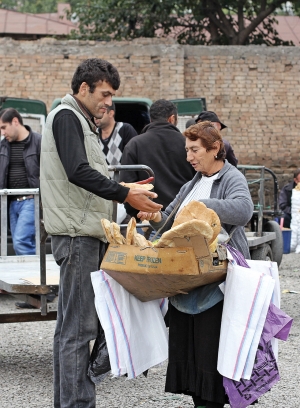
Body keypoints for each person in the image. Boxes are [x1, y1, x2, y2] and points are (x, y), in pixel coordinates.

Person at [40, 58, 162, 408]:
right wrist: (125, 193)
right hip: (78, 237)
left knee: (71, 330)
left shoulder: (77, 120)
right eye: (105, 94)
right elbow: (77, 171)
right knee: (79, 331)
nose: (109, 102)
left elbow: (83, 176)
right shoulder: (67, 117)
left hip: (82, 234)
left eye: (112, 96)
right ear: (83, 89)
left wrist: (124, 188)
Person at [138, 121, 253, 408]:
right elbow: (172, 220)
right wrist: (154, 217)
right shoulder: (192, 183)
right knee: (188, 352)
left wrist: (206, 206)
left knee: (208, 352)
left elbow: (244, 210)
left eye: (194, 150)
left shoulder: (231, 177)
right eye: (187, 150)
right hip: (186, 277)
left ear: (215, 149)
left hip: (216, 280)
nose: (188, 157)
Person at [120, 99, 196, 219]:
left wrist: (136, 214)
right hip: (185, 216)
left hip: (148, 218)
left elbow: (128, 185)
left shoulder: (134, 144)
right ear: (172, 119)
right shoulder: (189, 145)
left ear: (151, 120)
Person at [0, 108, 41, 255]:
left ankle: (34, 274)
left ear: (15, 122)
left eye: (4, 127)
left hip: (31, 201)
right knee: (21, 245)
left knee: (20, 242)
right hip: (10, 203)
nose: (2, 132)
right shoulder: (3, 145)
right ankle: (33, 274)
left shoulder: (38, 141)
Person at [94, 102, 137, 166]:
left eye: (101, 112)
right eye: (94, 113)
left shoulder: (125, 130)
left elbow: (135, 157)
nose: (96, 117)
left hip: (122, 175)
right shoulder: (94, 134)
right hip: (100, 176)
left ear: (111, 113)